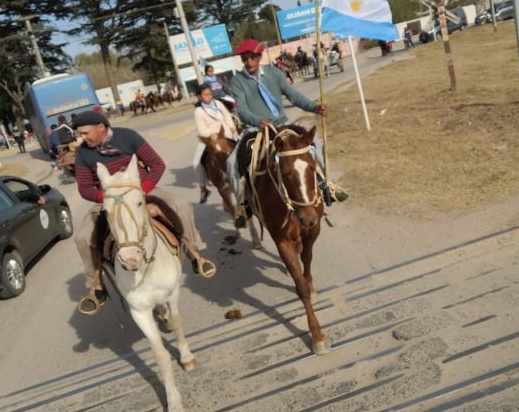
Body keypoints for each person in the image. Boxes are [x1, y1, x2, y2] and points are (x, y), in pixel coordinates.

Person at [72, 110, 206, 313]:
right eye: (80, 134)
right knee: (82, 237)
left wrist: (142, 189)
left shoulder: (128, 136)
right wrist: (106, 198)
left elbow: (157, 164)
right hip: (109, 200)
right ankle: (95, 284)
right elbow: (84, 187)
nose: (82, 138)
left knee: (181, 206)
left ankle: (194, 251)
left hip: (142, 192)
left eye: (85, 133)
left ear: (101, 127)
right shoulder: (83, 153)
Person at [228, 39, 348, 227]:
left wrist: (314, 107)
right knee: (231, 162)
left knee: (315, 143)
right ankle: (243, 205)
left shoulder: (274, 73)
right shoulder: (237, 81)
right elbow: (241, 109)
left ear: (259, 56)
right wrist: (257, 120)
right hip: (257, 129)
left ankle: (326, 186)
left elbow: (293, 95)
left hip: (283, 125)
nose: (249, 62)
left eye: (252, 58)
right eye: (245, 59)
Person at [192, 84, 240, 204]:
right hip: (210, 139)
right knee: (196, 163)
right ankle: (203, 189)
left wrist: (233, 127)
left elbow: (227, 117)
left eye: (210, 94)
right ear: (199, 97)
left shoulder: (218, 104)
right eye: (206, 95)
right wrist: (213, 135)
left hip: (227, 135)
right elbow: (201, 130)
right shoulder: (198, 111)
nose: (209, 96)